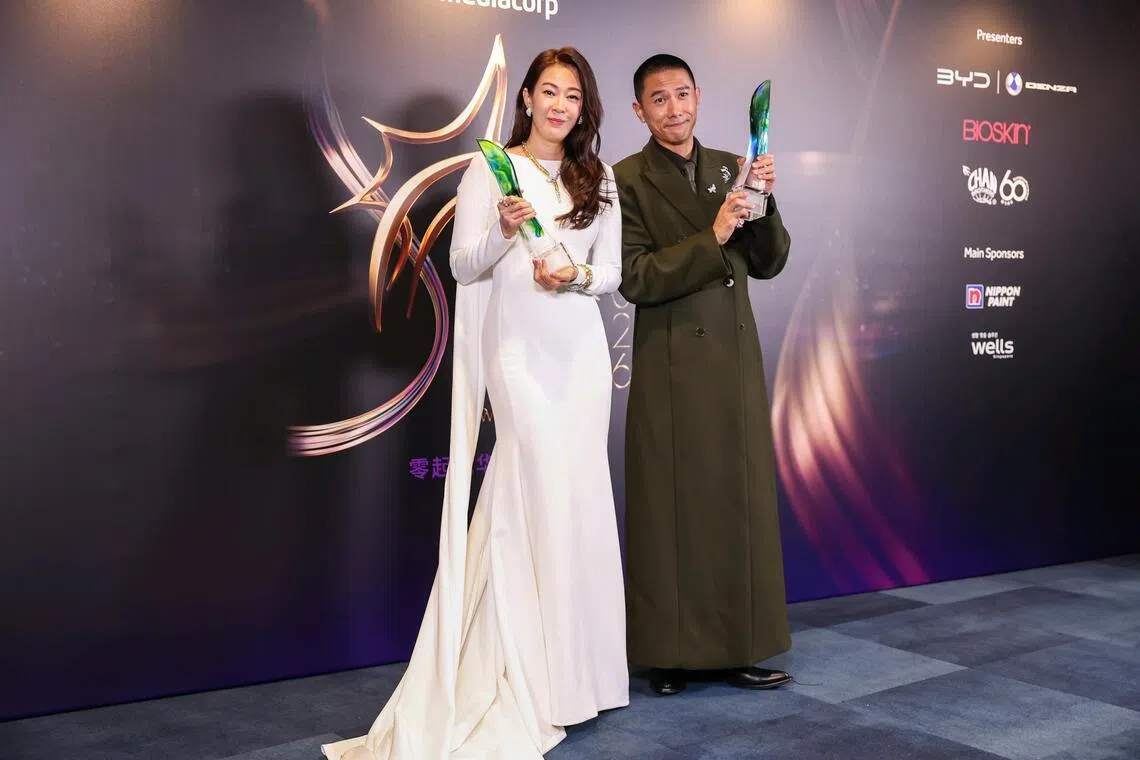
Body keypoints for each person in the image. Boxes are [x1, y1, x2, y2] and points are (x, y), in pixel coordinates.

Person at [321, 48, 628, 759]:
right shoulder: (489, 168)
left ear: (585, 107)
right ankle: (524, 670)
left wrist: (574, 271)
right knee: (534, 490)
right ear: (524, 98)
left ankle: (582, 676)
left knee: (578, 499)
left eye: (573, 96)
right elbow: (462, 266)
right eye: (548, 91)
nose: (560, 105)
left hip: (580, 355)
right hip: (518, 354)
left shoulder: (598, 175)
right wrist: (501, 227)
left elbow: (610, 270)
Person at [613, 53, 793, 697]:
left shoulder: (729, 166)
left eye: (682, 95)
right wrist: (713, 234)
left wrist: (764, 202)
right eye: (658, 99)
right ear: (640, 110)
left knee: (734, 507)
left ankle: (738, 646)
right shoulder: (625, 179)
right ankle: (669, 654)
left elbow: (769, 263)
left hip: (733, 363)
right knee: (671, 510)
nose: (674, 109)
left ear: (699, 96)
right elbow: (635, 276)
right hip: (669, 364)